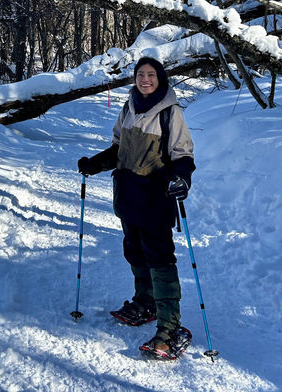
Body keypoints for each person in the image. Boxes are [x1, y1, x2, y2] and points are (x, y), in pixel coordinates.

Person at [77, 56, 195, 359]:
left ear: (161, 78)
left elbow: (182, 153)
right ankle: (146, 301)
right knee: (135, 251)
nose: (145, 79)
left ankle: (170, 327)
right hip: (128, 194)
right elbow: (119, 149)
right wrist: (96, 164)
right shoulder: (128, 107)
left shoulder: (170, 112)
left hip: (155, 196)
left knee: (160, 258)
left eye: (151, 75)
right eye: (140, 74)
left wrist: (181, 178)